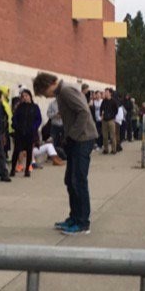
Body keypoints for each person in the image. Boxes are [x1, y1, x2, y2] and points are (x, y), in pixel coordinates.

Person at [33, 72, 98, 235]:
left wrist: (72, 135)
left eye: (43, 93)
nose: (46, 97)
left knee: (78, 180)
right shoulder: (62, 93)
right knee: (70, 179)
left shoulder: (66, 91)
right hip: (77, 139)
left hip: (82, 139)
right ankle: (74, 217)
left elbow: (83, 112)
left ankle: (83, 222)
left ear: (47, 85)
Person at [11, 89, 42, 177]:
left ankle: (27, 169)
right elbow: (14, 118)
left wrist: (34, 127)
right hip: (20, 132)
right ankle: (13, 169)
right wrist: (16, 126)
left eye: (26, 96)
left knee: (29, 151)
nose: (25, 98)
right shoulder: (19, 107)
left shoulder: (35, 107)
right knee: (16, 151)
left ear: (30, 96)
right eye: (23, 96)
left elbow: (38, 119)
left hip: (30, 133)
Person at [100, 88, 118, 154]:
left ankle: (114, 149)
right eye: (105, 92)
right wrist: (101, 115)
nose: (105, 93)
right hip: (104, 120)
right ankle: (106, 149)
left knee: (112, 136)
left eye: (107, 92)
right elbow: (101, 108)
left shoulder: (113, 101)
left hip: (111, 120)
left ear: (110, 93)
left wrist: (112, 116)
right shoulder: (104, 101)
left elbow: (116, 110)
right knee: (105, 136)